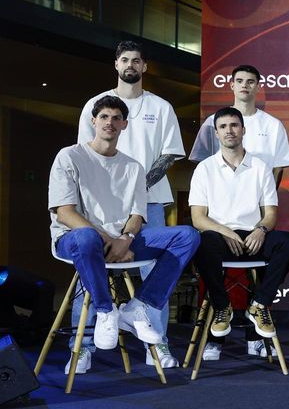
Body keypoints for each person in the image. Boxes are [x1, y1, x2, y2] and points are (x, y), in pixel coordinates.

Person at [51, 95, 199, 374]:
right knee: (87, 238)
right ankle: (106, 312)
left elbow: (137, 215)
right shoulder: (69, 156)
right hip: (76, 239)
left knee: (187, 236)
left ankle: (140, 306)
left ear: (125, 125)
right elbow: (65, 213)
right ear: (93, 121)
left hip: (122, 240)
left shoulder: (133, 167)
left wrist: (126, 239)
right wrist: (109, 240)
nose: (110, 122)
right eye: (104, 117)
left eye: (116, 118)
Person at [78, 41, 185, 366]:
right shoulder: (95, 105)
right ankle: (81, 346)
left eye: (136, 61)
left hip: (150, 203)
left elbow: (169, 154)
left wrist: (135, 188)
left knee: (156, 270)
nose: (131, 65)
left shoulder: (161, 107)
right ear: (116, 64)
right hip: (100, 205)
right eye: (124, 59)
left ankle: (159, 345)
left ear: (144, 67)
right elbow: (85, 154)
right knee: (89, 266)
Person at [189, 107, 289, 362]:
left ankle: (259, 305)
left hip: (252, 237)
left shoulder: (261, 167)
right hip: (219, 236)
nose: (230, 130)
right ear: (216, 133)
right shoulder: (205, 169)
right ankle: (222, 306)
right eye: (224, 126)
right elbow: (198, 218)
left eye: (234, 125)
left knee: (288, 241)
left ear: (243, 130)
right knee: (203, 241)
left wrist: (261, 230)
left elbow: (270, 213)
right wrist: (225, 231)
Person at [189, 65, 289, 185]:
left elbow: (278, 168)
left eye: (250, 82)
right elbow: (201, 163)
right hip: (219, 195)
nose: (244, 85)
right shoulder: (213, 122)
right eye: (239, 81)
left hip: (260, 196)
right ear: (232, 85)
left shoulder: (273, 125)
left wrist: (268, 199)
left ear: (258, 87)